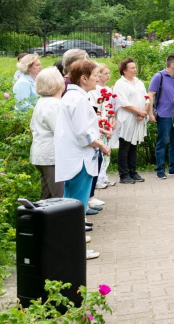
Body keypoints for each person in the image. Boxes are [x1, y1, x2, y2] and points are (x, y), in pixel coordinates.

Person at [55, 60, 110, 261]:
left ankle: (71, 245)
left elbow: (81, 127)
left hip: (74, 159)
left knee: (72, 204)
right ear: (83, 78)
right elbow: (83, 135)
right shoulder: (77, 99)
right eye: (95, 74)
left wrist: (98, 129)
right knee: (77, 206)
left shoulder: (73, 96)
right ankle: (76, 249)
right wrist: (101, 145)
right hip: (80, 161)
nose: (98, 78)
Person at [30, 66, 65, 199]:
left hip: (40, 153)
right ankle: (60, 219)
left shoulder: (42, 102)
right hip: (51, 155)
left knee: (47, 194)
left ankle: (42, 219)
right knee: (58, 195)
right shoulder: (54, 104)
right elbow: (61, 131)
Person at [113, 57, 148, 184]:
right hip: (126, 118)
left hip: (139, 118)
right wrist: (138, 112)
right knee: (125, 146)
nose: (135, 70)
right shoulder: (120, 84)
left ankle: (133, 171)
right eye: (132, 68)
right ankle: (124, 174)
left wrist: (143, 112)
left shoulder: (139, 82)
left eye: (135, 67)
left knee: (134, 145)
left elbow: (146, 98)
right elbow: (123, 102)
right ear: (124, 70)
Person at [89, 63, 118, 191]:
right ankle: (98, 178)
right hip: (100, 120)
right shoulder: (94, 90)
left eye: (108, 73)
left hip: (108, 118)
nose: (108, 76)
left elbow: (111, 105)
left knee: (107, 148)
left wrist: (113, 119)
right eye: (105, 73)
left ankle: (104, 175)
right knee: (100, 149)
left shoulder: (108, 89)